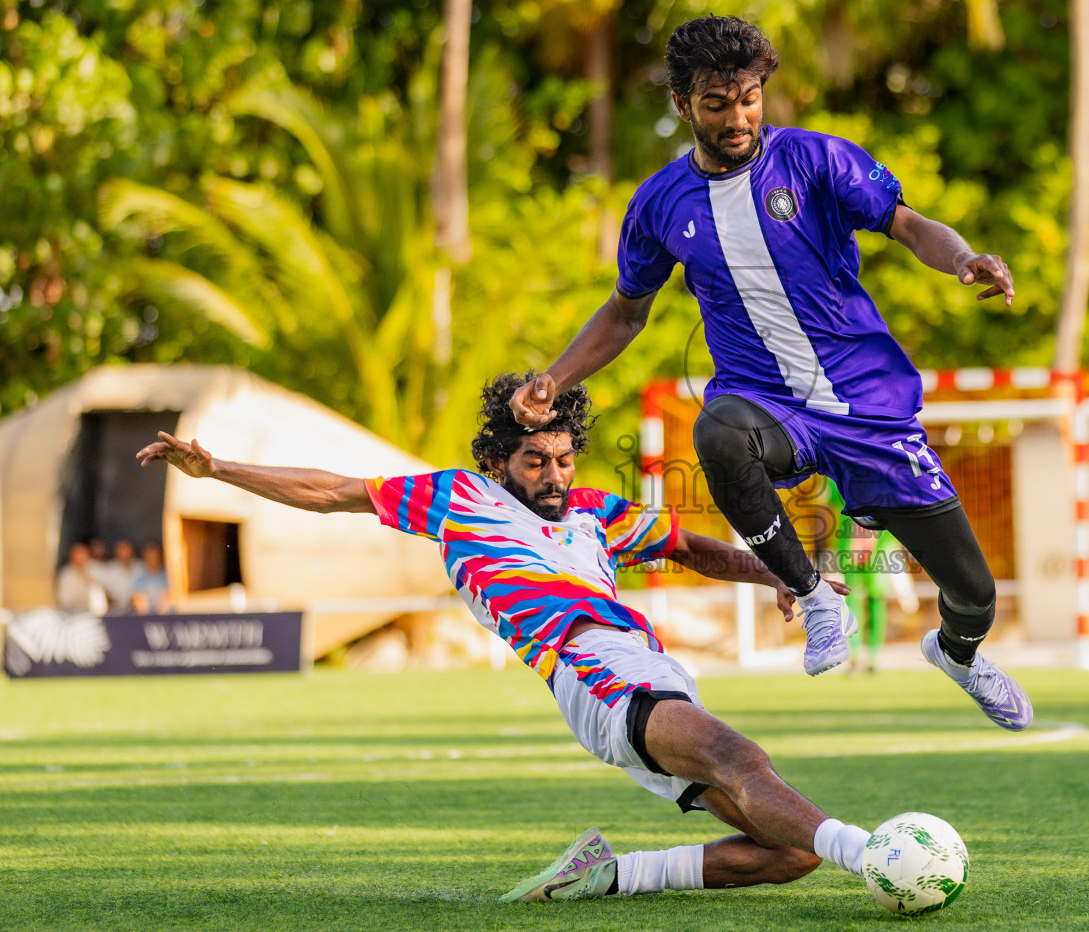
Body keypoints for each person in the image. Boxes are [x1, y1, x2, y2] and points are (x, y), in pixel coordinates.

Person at [137, 374, 902, 906]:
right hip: (591, 670)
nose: (554, 474)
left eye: (564, 459)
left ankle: (610, 875)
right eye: (536, 460)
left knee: (790, 850)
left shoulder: (595, 511)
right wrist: (219, 469)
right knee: (742, 759)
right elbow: (333, 491)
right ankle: (875, 856)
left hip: (650, 668)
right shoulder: (457, 498)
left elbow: (689, 547)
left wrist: (779, 574)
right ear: (496, 461)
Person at [507, 15, 1029, 731]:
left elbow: (910, 225)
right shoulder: (660, 203)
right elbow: (626, 314)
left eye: (749, 99)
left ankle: (959, 656)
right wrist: (554, 380)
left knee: (974, 595)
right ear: (683, 105)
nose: (737, 118)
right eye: (716, 103)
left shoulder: (817, 160)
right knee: (718, 433)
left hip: (869, 409)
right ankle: (814, 599)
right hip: (766, 406)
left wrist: (964, 258)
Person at [825, 482, 916, 674]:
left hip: (880, 546)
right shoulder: (835, 477)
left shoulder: (885, 475)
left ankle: (874, 656)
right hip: (848, 544)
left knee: (876, 599)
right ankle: (855, 654)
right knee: (850, 600)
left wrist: (873, 539)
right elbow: (833, 508)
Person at [56, 542, 109, 615]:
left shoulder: (97, 569)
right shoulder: (66, 575)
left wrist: (86, 576)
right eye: (77, 554)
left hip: (97, 613)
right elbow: (64, 599)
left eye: (82, 554)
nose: (80, 558)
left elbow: (104, 591)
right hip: (73, 614)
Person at [99, 538, 143, 612]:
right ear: (116, 551)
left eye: (127, 549)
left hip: (136, 610)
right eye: (122, 549)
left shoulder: (140, 567)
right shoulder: (109, 569)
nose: (125, 552)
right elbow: (105, 591)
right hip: (114, 611)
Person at [133, 541, 170, 613]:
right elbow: (140, 604)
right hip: (146, 616)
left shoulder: (168, 577)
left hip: (166, 615)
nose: (153, 559)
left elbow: (168, 600)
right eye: (150, 556)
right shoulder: (140, 579)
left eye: (155, 556)